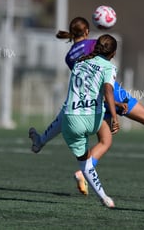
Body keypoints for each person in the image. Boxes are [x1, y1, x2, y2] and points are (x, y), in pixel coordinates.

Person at [29, 17, 144, 195]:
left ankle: (82, 171)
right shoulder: (93, 44)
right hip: (113, 94)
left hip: (92, 102)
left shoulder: (69, 56)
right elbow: (105, 53)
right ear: (87, 32)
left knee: (105, 141)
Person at [59, 34, 119, 208]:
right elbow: (107, 90)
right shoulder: (109, 67)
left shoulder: (79, 62)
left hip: (71, 121)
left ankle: (104, 198)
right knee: (105, 140)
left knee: (85, 164)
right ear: (113, 53)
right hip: (93, 120)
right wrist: (114, 117)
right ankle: (39, 140)